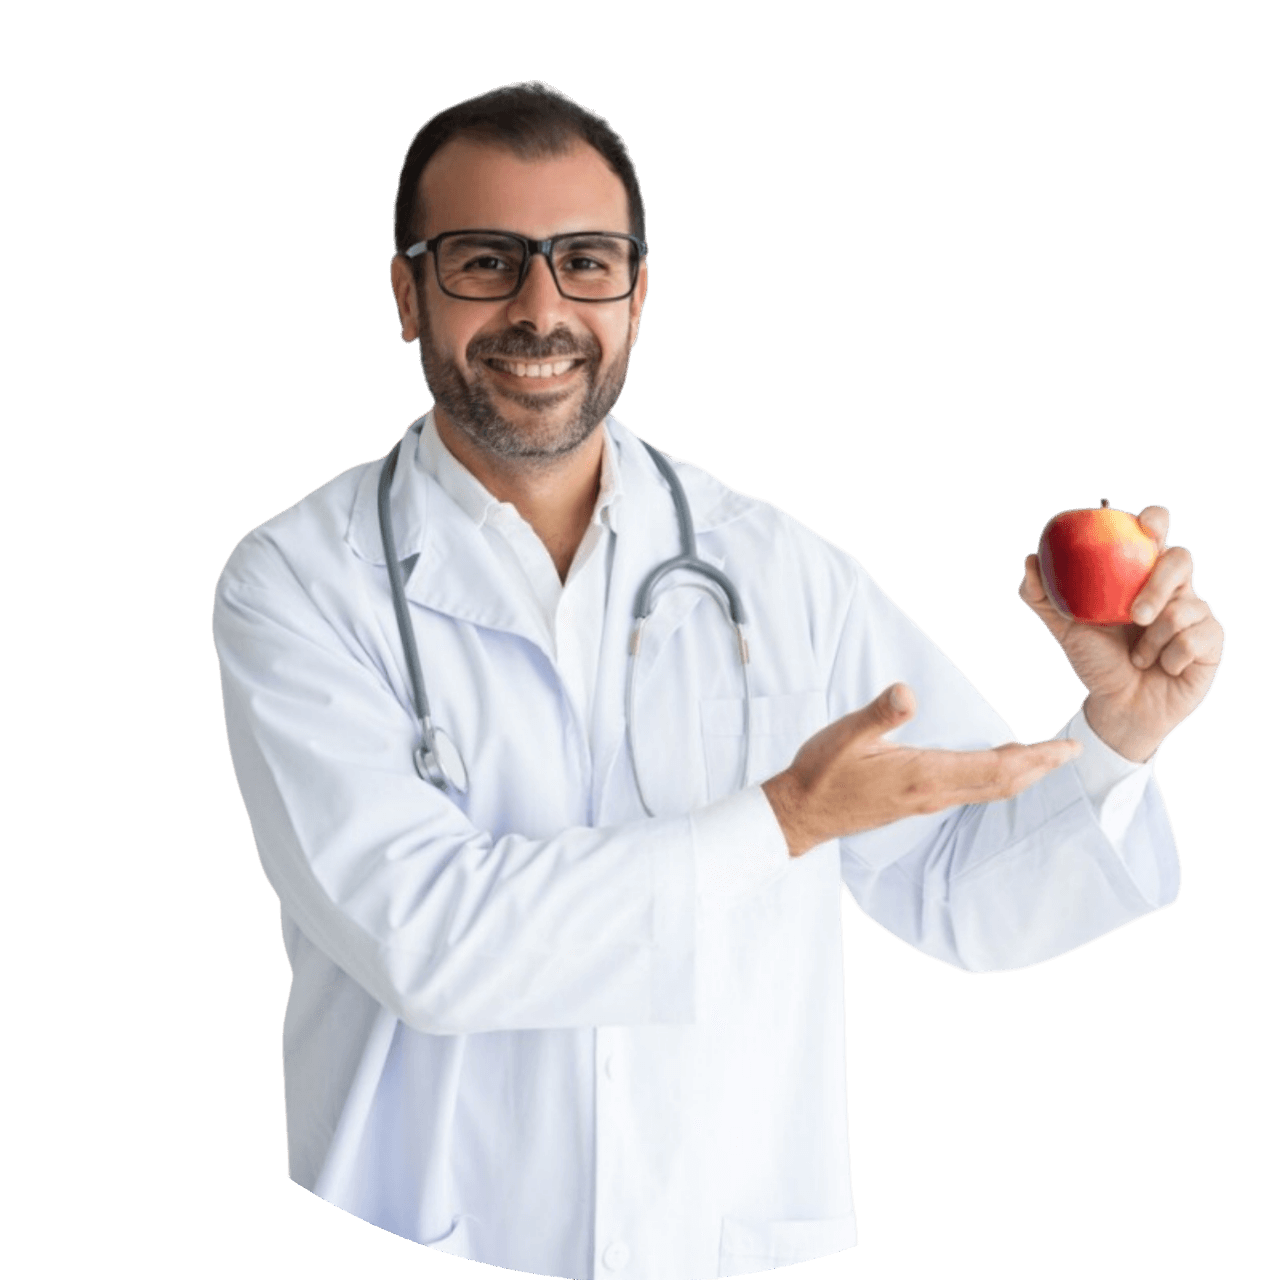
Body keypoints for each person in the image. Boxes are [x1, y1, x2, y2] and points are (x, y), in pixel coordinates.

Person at [211, 82, 1225, 1279]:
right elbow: (426, 940)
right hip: (418, 1224)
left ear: (636, 297)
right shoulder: (299, 579)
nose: (540, 308)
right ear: (404, 293)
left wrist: (1117, 732)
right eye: (486, 260)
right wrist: (778, 823)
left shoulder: (779, 570)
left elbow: (960, 887)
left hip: (716, 1244)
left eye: (585, 261)